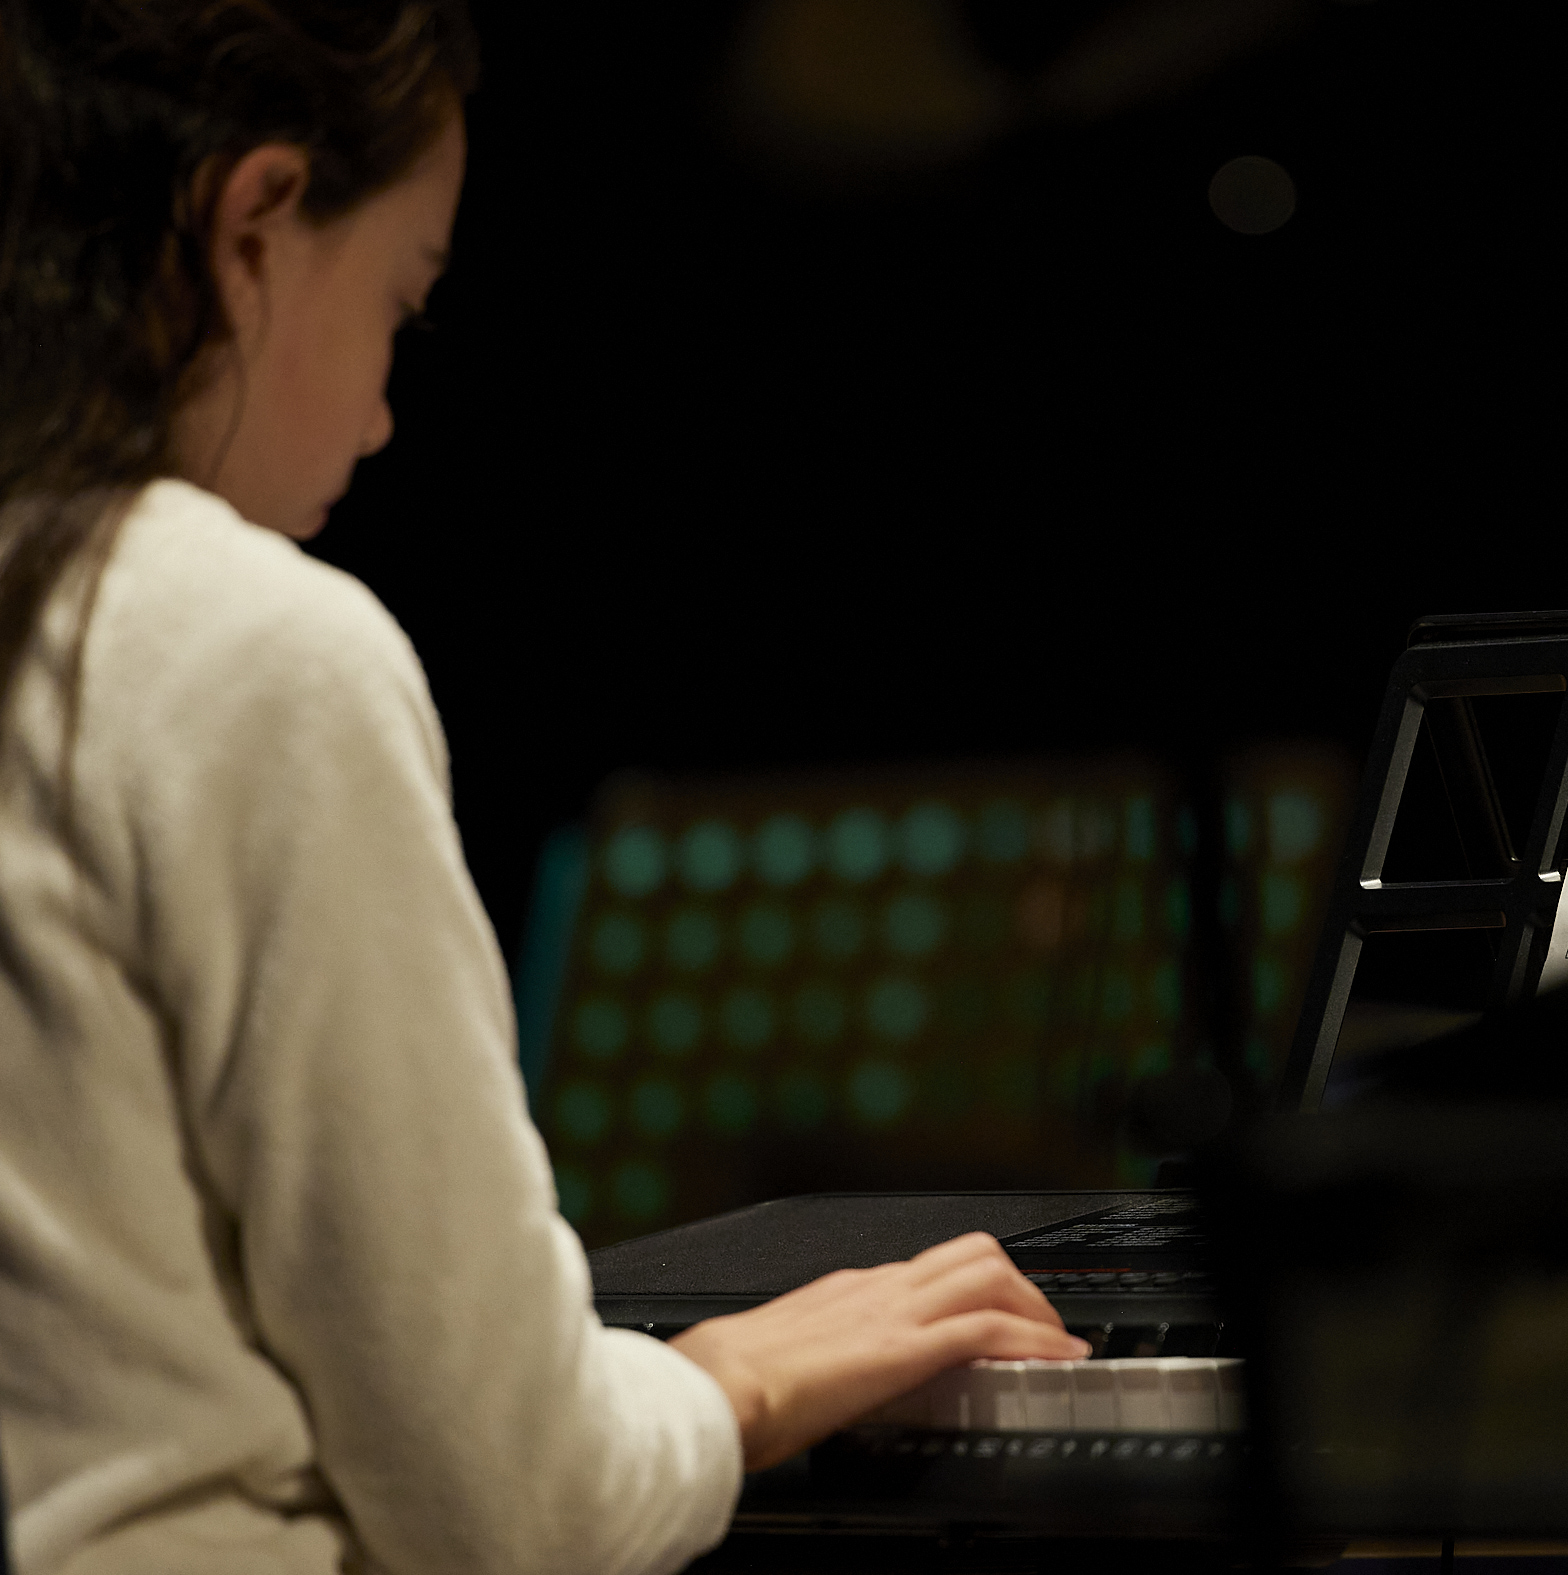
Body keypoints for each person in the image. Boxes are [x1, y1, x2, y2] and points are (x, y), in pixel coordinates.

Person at [0, 4, 1087, 1571]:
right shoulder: (238, 644)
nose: (384, 413)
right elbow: (515, 1508)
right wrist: (740, 1378)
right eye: (401, 299)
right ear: (254, 226)